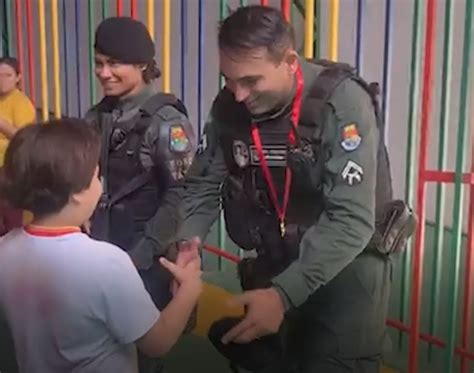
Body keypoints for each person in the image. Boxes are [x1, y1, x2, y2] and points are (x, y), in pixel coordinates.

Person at [130, 5, 416, 373]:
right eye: (229, 79)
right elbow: (202, 184)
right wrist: (189, 244)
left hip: (344, 269)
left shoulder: (342, 104)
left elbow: (352, 221)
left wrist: (282, 296)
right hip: (278, 261)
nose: (237, 94)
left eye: (251, 81)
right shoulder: (230, 106)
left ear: (290, 62)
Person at [0, 120, 202, 373]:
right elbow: (157, 342)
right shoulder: (106, 262)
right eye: (96, 176)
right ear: (76, 193)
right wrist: (189, 289)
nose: (100, 183)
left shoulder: (6, 248)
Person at [84, 13, 197, 353]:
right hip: (102, 250)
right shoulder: (97, 116)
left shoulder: (166, 122)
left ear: (143, 65)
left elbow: (181, 193)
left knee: (145, 351)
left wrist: (140, 256)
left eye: (115, 63)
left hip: (145, 259)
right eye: (99, 63)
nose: (104, 73)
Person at [0, 57, 36, 235]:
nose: (2, 80)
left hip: (9, 166)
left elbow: (24, 138)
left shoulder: (21, 102)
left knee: (10, 214)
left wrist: (2, 124)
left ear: (18, 78)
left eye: (7, 75)